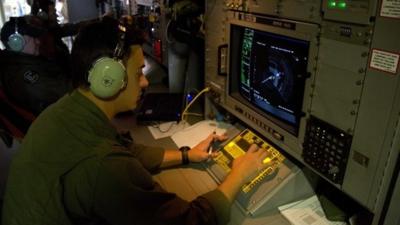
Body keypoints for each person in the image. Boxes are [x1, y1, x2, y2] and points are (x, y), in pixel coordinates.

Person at [2, 18, 270, 225]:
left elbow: (124, 149)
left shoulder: (67, 109)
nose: (144, 82)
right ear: (107, 78)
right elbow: (188, 221)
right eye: (138, 71)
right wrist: (238, 175)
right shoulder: (103, 166)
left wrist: (188, 155)